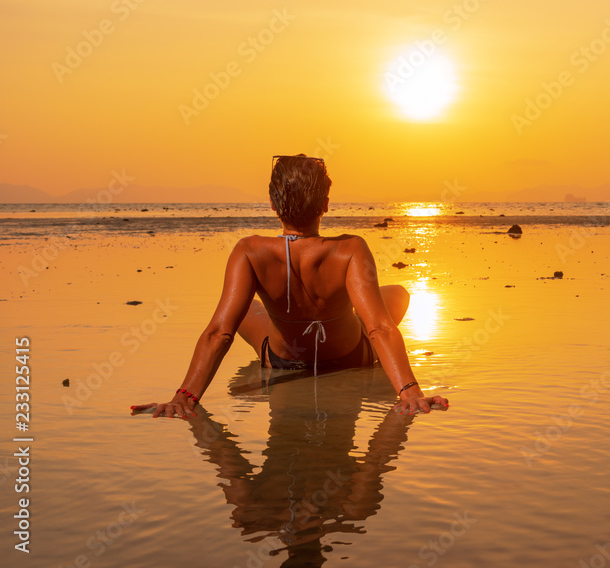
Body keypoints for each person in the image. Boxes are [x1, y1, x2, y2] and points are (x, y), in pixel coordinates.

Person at [132, 154, 448, 418]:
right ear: (325, 204)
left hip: (281, 359)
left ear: (272, 203)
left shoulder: (249, 250)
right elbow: (379, 327)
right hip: (351, 355)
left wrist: (184, 396)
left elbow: (219, 332)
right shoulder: (350, 249)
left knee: (239, 312)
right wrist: (409, 391)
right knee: (396, 294)